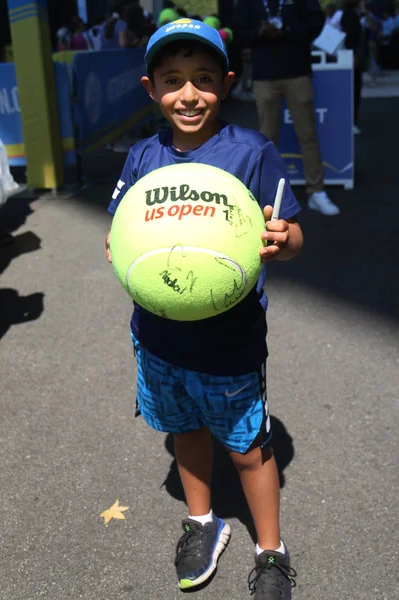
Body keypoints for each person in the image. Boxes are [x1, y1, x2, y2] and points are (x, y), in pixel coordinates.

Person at [106, 19, 302, 600]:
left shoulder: (252, 152)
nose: (188, 94)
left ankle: (272, 551)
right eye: (173, 80)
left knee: (247, 451)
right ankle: (202, 520)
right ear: (151, 88)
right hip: (160, 338)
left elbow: (292, 239)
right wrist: (121, 246)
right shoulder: (142, 156)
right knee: (184, 431)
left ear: (226, 83)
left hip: (231, 341)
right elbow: (119, 234)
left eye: (203, 80)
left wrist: (282, 240)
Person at [235, 0, 341, 216]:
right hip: (264, 74)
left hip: (297, 71)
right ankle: (268, 197)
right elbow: (239, 31)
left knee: (308, 135)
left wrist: (287, 30)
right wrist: (260, 32)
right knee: (266, 140)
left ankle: (316, 191)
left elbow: (315, 24)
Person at [341, 0, 365, 133]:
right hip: (353, 57)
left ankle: (352, 120)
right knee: (354, 90)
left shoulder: (349, 14)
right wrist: (354, 55)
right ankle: (352, 121)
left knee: (354, 89)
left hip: (352, 56)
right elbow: (350, 37)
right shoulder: (351, 16)